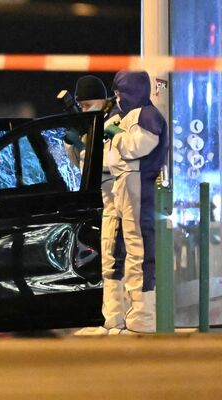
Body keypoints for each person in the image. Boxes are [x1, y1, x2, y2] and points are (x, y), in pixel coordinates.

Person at [104, 70, 168, 334]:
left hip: (140, 186)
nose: (117, 98)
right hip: (128, 186)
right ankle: (131, 313)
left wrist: (116, 133)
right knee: (126, 250)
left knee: (140, 251)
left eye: (120, 92)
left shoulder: (148, 115)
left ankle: (143, 316)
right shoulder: (133, 114)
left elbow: (135, 147)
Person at [72, 75, 129, 336]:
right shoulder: (101, 122)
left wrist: (84, 145)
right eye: (81, 106)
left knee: (116, 261)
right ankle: (112, 318)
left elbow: (105, 162)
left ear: (102, 100)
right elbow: (82, 167)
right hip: (108, 203)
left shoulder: (114, 121)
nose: (85, 110)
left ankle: (118, 320)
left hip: (119, 202)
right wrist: (74, 144)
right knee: (109, 261)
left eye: (87, 105)